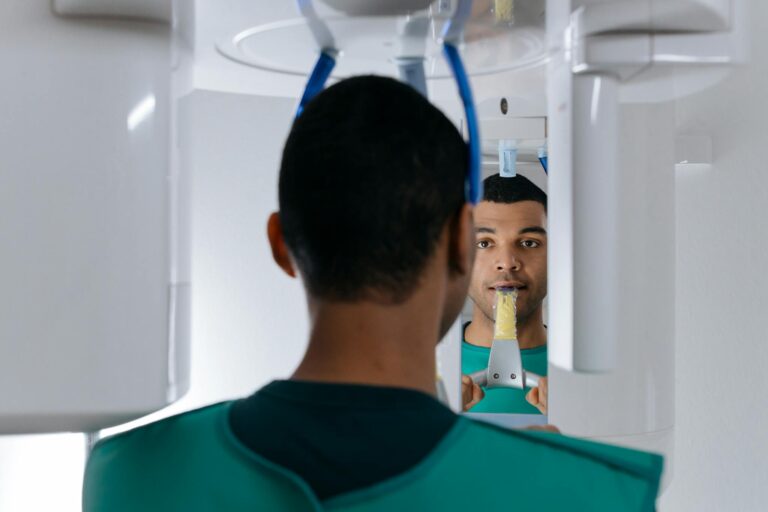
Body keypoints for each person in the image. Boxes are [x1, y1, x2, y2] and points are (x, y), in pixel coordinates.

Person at [83, 76, 662, 511]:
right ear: (465, 242)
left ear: (281, 244)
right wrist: (529, 470)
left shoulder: (126, 477)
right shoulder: (582, 495)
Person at [461, 174, 550, 415]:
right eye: (484, 243)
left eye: (529, 243)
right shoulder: (425, 373)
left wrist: (584, 424)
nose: (507, 263)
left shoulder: (586, 379)